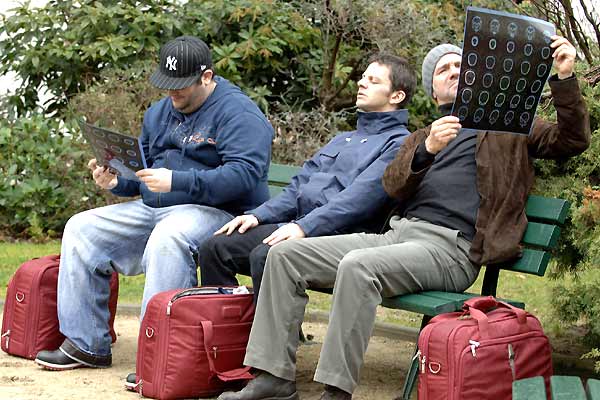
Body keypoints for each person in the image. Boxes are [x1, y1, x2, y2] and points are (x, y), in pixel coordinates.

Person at [217, 35, 590, 400]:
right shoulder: (420, 137)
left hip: (452, 250)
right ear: (434, 94)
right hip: (397, 237)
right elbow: (392, 186)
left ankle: (335, 389)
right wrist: (427, 150)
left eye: (462, 65)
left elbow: (572, 140)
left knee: (358, 267)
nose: (454, 72)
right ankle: (274, 377)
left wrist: (564, 78)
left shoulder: (508, 129)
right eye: (444, 69)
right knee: (284, 256)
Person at [34, 36, 274, 371]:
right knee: (81, 226)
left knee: (170, 235)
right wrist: (118, 182)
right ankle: (85, 345)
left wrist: (177, 180)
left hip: (223, 213)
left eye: (180, 86)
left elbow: (244, 175)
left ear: (206, 77)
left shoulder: (240, 113)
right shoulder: (160, 112)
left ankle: (157, 356)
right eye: (166, 84)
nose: (172, 93)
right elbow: (145, 174)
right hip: (158, 208)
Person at [198, 53, 417, 301]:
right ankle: (227, 332)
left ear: (396, 96)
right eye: (363, 77)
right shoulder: (343, 139)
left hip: (340, 236)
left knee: (266, 255)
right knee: (215, 248)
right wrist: (257, 216)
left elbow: (358, 201)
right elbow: (297, 187)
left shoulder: (399, 144)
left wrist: (304, 227)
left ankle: (275, 338)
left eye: (374, 80)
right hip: (299, 225)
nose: (361, 83)